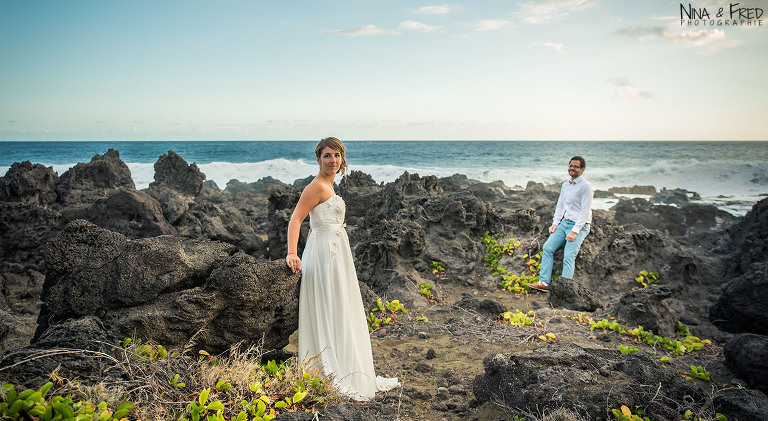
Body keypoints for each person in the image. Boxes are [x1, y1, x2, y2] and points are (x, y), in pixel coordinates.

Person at [285, 137, 399, 401]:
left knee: (341, 305)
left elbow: (316, 220)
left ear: (342, 158)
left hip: (336, 251)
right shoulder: (315, 187)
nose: (332, 160)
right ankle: (328, 368)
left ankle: (347, 364)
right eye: (327, 156)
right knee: (329, 304)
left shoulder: (329, 186)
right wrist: (292, 253)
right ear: (318, 159)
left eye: (336, 155)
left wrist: (317, 231)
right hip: (324, 254)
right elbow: (295, 219)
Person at [530, 156, 594, 292]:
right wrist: (555, 223)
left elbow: (585, 210)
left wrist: (575, 231)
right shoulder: (565, 184)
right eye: (571, 165)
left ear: (582, 169)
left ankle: (564, 290)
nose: (572, 168)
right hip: (564, 223)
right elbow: (560, 205)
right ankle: (544, 283)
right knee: (547, 248)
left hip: (580, 226)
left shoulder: (586, 187)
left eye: (576, 166)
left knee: (568, 255)